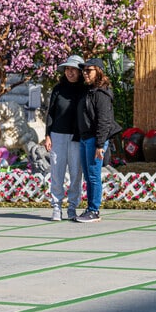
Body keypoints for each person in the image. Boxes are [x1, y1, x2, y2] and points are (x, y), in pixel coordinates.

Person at [74, 58, 122, 223]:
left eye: (89, 71)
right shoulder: (88, 91)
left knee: (94, 176)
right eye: (84, 71)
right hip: (85, 138)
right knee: (88, 176)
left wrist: (100, 145)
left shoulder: (102, 94)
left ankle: (94, 210)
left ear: (99, 72)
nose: (85, 74)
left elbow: (104, 121)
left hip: (95, 140)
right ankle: (90, 208)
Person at [44, 54, 85, 221]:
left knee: (76, 172)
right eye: (67, 69)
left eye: (73, 69)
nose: (70, 72)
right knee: (57, 171)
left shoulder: (85, 90)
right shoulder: (58, 89)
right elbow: (50, 114)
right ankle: (56, 207)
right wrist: (47, 135)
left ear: (80, 72)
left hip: (77, 136)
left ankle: (72, 207)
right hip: (57, 135)